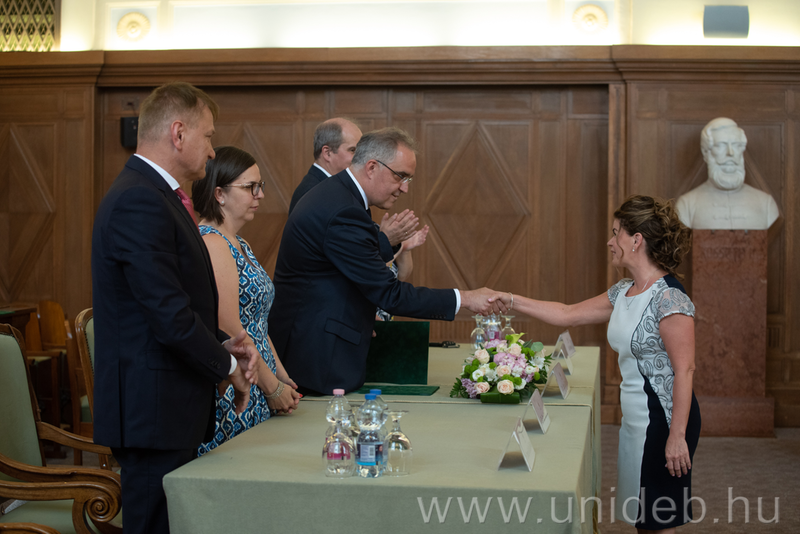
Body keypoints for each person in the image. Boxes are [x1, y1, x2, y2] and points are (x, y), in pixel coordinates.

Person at [92, 83, 260, 534]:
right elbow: (167, 315)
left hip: (166, 406)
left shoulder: (158, 195)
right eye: (208, 136)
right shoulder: (139, 199)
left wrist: (224, 345)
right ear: (178, 133)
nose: (212, 150)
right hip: (152, 408)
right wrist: (227, 365)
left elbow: (179, 301)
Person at [495, 195, 701, 532]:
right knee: (642, 519)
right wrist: (511, 300)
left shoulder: (669, 298)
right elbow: (567, 314)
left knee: (659, 521)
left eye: (616, 233)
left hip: (664, 420)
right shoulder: (624, 291)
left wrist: (677, 436)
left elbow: (685, 370)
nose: (610, 241)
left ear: (636, 240)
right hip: (634, 420)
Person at [270, 127, 507, 395]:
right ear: (372, 167)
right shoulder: (342, 209)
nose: (404, 188)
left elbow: (349, 273)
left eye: (408, 179)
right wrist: (465, 299)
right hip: (314, 356)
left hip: (320, 347)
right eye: (400, 176)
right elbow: (389, 293)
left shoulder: (343, 197)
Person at [191, 146, 302, 456]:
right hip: (237, 384)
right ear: (219, 194)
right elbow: (230, 328)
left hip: (258, 377)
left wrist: (282, 376)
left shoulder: (240, 243)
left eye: (260, 185)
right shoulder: (212, 243)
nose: (260, 195)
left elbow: (257, 321)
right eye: (250, 187)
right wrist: (272, 387)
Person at [289, 117, 418, 262]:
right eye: (353, 150)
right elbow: (351, 258)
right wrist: (385, 239)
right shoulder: (316, 193)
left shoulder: (342, 191)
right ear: (327, 153)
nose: (360, 157)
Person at [676, 117, 779, 230]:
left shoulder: (766, 204)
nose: (730, 152)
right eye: (721, 145)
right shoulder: (687, 205)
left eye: (736, 145)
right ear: (706, 152)